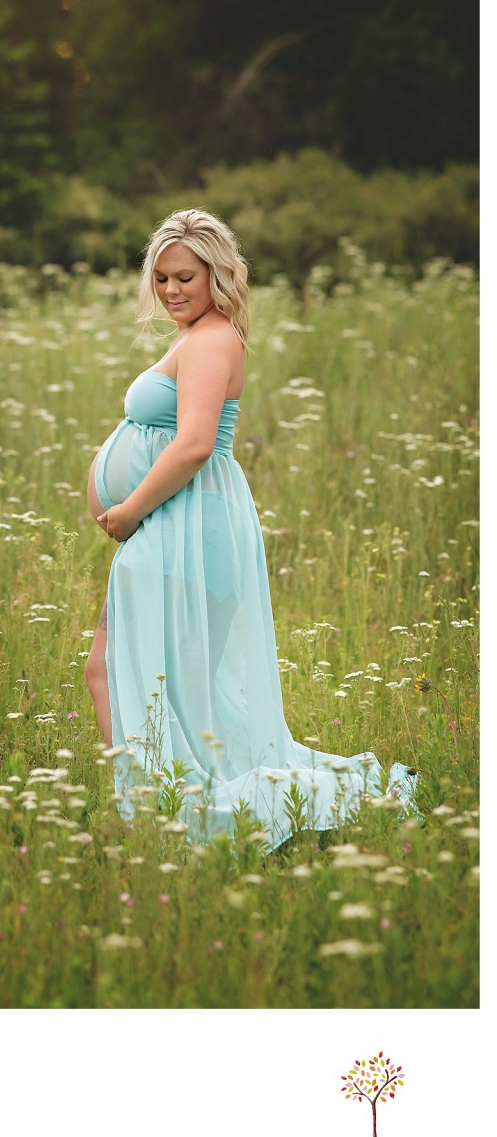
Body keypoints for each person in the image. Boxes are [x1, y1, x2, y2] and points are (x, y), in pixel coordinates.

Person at [85, 209, 414, 849]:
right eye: (161, 278)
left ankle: (164, 822)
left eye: (185, 277)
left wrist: (129, 511)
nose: (171, 290)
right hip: (177, 529)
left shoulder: (212, 340)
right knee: (128, 678)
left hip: (184, 530)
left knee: (129, 680)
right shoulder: (196, 336)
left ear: (217, 275)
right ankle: (150, 814)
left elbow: (194, 445)